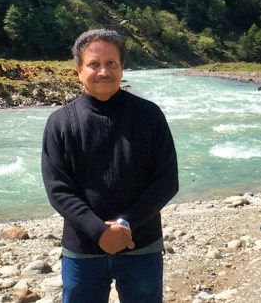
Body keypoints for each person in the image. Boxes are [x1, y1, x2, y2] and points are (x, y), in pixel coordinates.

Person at [42, 28, 179, 302]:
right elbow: (58, 189)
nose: (103, 71)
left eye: (110, 63)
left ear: (122, 67)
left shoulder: (149, 115)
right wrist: (98, 231)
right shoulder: (61, 123)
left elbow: (166, 181)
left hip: (141, 243)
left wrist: (125, 224)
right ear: (79, 69)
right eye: (94, 64)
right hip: (83, 246)